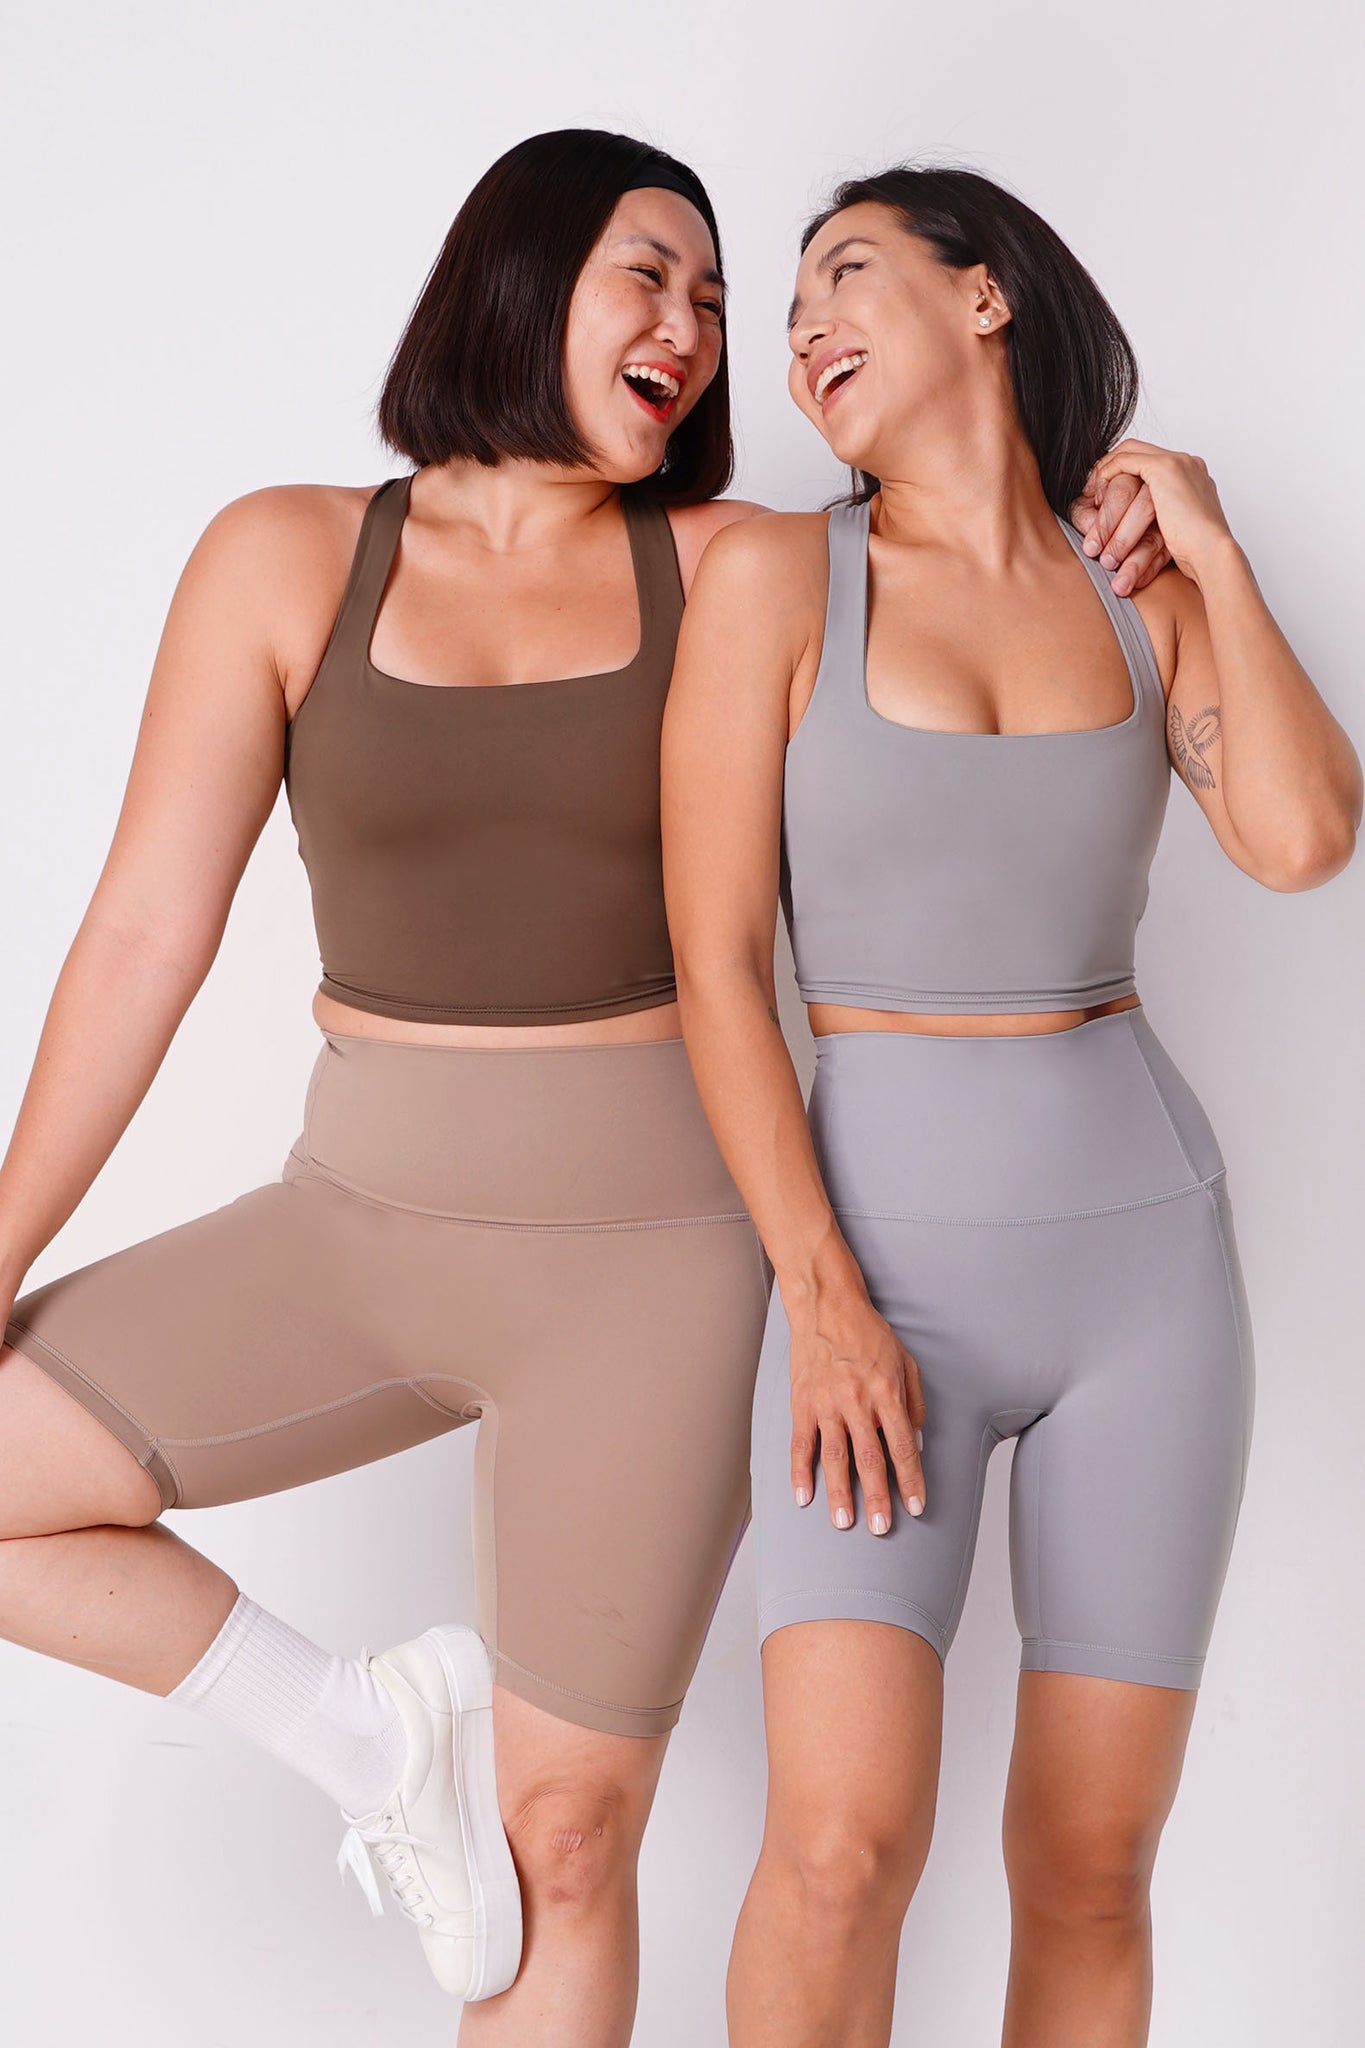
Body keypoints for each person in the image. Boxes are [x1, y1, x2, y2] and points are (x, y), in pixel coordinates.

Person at [0, 129, 774, 2046]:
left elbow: (973, 595)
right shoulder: (284, 555)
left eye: (711, 297)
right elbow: (141, 936)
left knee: (564, 1847)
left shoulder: (736, 568)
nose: (687, 326)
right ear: (517, 276)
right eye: (647, 273)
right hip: (351, 1232)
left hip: (651, 1274)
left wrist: (1123, 510)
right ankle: (363, 1736)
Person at [660, 164, 1360, 2048]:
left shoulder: (1138, 592)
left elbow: (1301, 838)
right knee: (837, 1848)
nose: (800, 328)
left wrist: (1213, 553)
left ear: (984, 299)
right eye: (785, 313)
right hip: (871, 1278)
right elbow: (716, 965)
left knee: (1088, 1864)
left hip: (1145, 1279)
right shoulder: (772, 580)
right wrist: (820, 1301)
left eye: (844, 273)